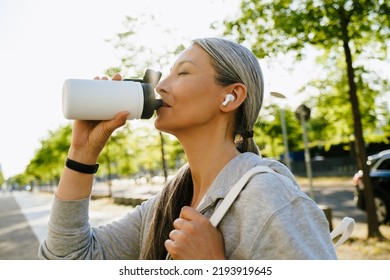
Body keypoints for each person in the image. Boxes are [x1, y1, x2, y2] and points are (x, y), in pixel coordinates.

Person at [38, 37, 337, 260]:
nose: (161, 86)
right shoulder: (165, 204)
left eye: (182, 73)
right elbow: (68, 260)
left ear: (230, 97)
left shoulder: (270, 197)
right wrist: (82, 152)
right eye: (167, 73)